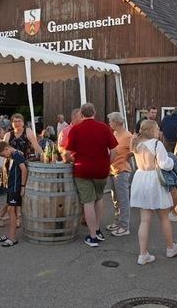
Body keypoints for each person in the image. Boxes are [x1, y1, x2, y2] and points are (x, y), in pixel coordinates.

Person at [64, 103, 118, 247]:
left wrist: (71, 159)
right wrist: (107, 163)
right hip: (101, 170)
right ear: (94, 113)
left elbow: (67, 153)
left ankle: (92, 236)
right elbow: (114, 150)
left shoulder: (75, 129)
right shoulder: (104, 128)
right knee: (99, 198)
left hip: (82, 170)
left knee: (88, 202)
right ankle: (98, 229)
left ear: (81, 114)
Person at [130, 120, 177, 264]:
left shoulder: (136, 144)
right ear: (152, 130)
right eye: (157, 128)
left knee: (144, 220)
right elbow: (165, 164)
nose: (159, 130)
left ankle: (142, 254)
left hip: (140, 178)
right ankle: (170, 248)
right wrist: (172, 161)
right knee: (164, 218)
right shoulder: (156, 144)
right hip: (155, 180)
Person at [0, 141, 27, 247]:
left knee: (11, 210)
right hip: (12, 186)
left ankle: (12, 237)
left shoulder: (16, 155)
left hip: (16, 187)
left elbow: (24, 170)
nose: (5, 157)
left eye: (4, 155)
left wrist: (22, 186)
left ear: (7, 149)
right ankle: (10, 234)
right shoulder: (14, 154)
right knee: (10, 210)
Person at [106, 112, 133, 237]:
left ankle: (124, 226)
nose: (109, 123)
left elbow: (134, 150)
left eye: (111, 121)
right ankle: (118, 222)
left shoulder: (128, 136)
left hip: (122, 170)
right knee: (115, 199)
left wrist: (126, 157)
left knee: (123, 200)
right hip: (113, 170)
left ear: (116, 122)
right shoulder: (115, 134)